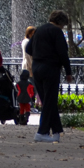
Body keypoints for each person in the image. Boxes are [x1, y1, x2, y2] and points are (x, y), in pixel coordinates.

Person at [26, 10, 74, 143]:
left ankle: (57, 131)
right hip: (50, 68)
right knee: (49, 100)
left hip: (36, 68)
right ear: (61, 22)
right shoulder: (56, 31)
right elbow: (63, 53)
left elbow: (28, 49)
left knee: (47, 100)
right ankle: (42, 132)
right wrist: (68, 72)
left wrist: (38, 54)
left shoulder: (39, 30)